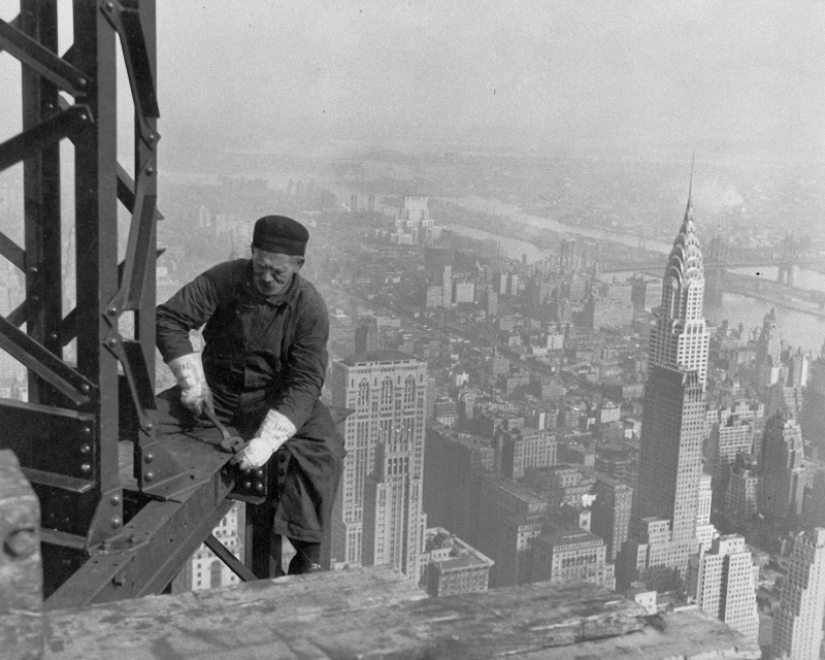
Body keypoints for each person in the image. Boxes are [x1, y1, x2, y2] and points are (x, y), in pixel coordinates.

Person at [156, 215, 343, 575]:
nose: (266, 278)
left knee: (323, 448)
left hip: (274, 401)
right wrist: (192, 382)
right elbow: (170, 319)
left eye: (278, 272)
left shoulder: (309, 307)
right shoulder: (224, 278)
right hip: (216, 394)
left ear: (298, 266)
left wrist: (265, 443)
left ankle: (308, 554)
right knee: (144, 420)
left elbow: (305, 382)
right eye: (260, 266)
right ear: (251, 254)